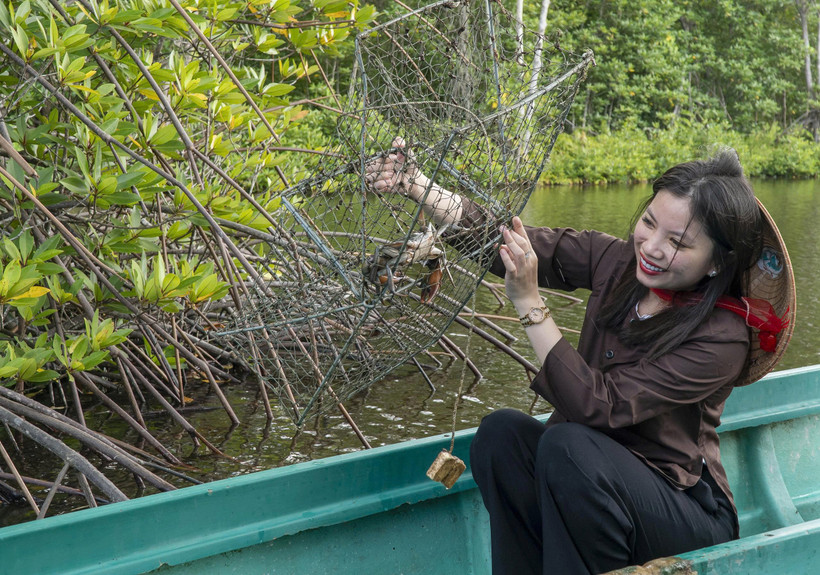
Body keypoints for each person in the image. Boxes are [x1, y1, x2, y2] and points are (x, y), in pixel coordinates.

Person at [364, 140, 793, 574]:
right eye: (648, 223)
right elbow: (514, 244)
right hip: (584, 473)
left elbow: (599, 406)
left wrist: (530, 303)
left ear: (718, 262)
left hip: (679, 508)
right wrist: (417, 184)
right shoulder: (618, 261)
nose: (651, 247)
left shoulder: (724, 338)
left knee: (568, 445)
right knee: (501, 436)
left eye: (677, 243)